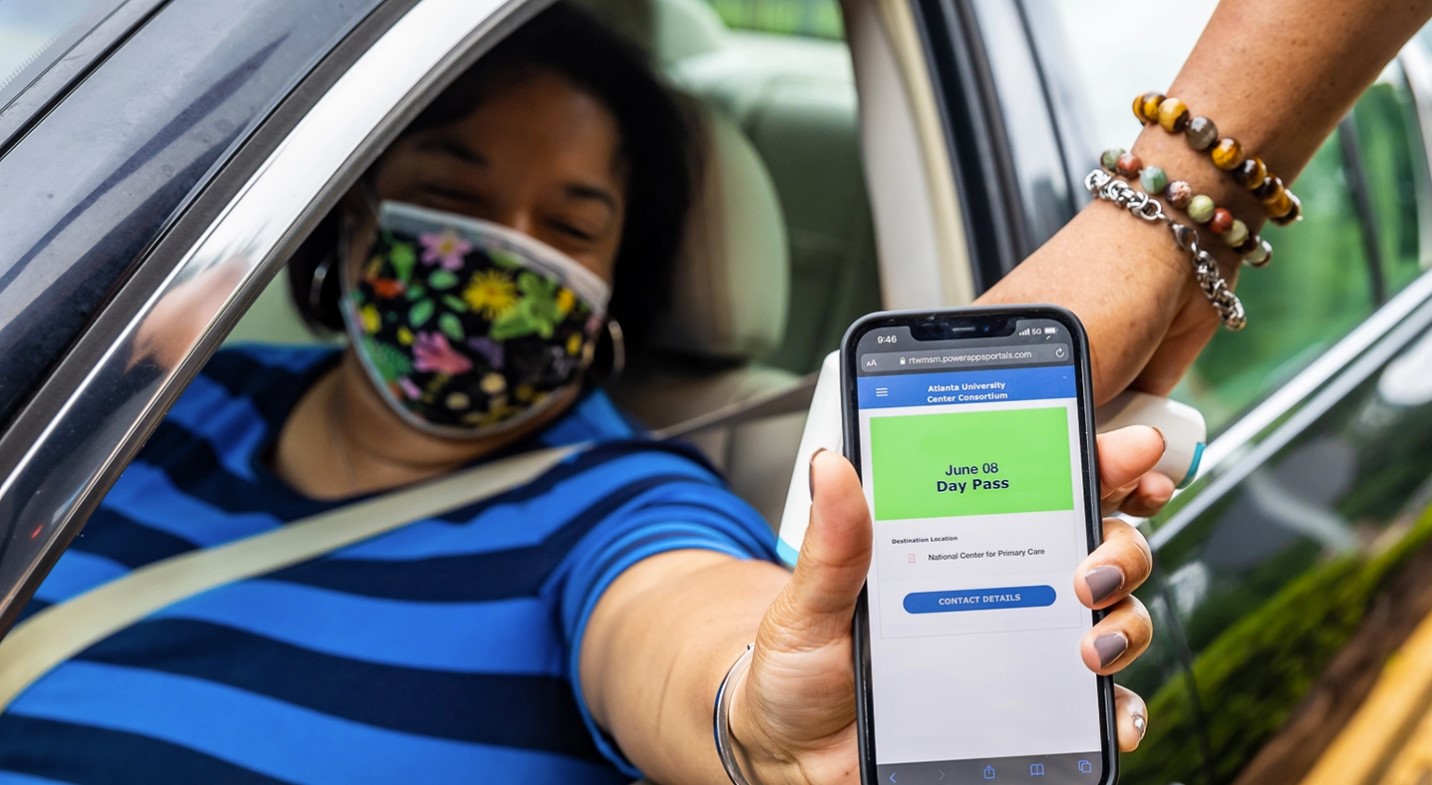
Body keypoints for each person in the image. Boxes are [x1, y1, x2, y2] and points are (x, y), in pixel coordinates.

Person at [0, 5, 1233, 785]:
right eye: (459, 192)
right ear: (354, 212)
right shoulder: (143, 409)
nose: (501, 254)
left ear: (609, 288)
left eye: (567, 226)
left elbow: (687, 624)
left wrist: (754, 716)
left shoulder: (616, 505)